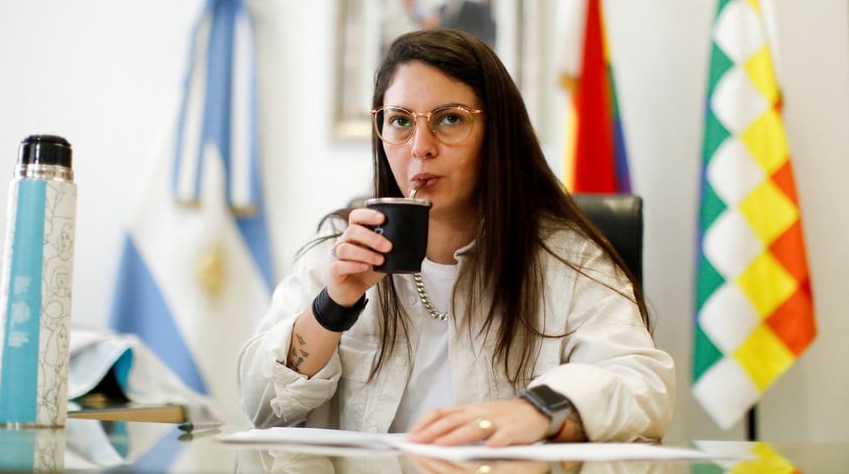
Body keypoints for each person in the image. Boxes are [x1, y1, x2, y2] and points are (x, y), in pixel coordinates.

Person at [237, 29, 675, 446]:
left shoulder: (563, 257)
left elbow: (644, 385)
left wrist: (540, 411)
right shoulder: (341, 245)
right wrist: (333, 306)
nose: (420, 146)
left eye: (450, 119)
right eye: (401, 121)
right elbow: (259, 405)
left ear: (496, 134)